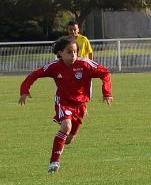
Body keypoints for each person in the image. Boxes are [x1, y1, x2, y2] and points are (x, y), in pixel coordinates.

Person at [19, 36, 114, 172]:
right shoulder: (54, 66)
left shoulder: (85, 64)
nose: (73, 55)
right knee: (66, 126)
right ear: (60, 53)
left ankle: (62, 143)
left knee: (69, 139)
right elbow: (35, 74)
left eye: (75, 52)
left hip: (81, 105)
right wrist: (24, 90)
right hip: (63, 101)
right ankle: (54, 162)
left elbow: (105, 73)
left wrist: (107, 92)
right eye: (69, 52)